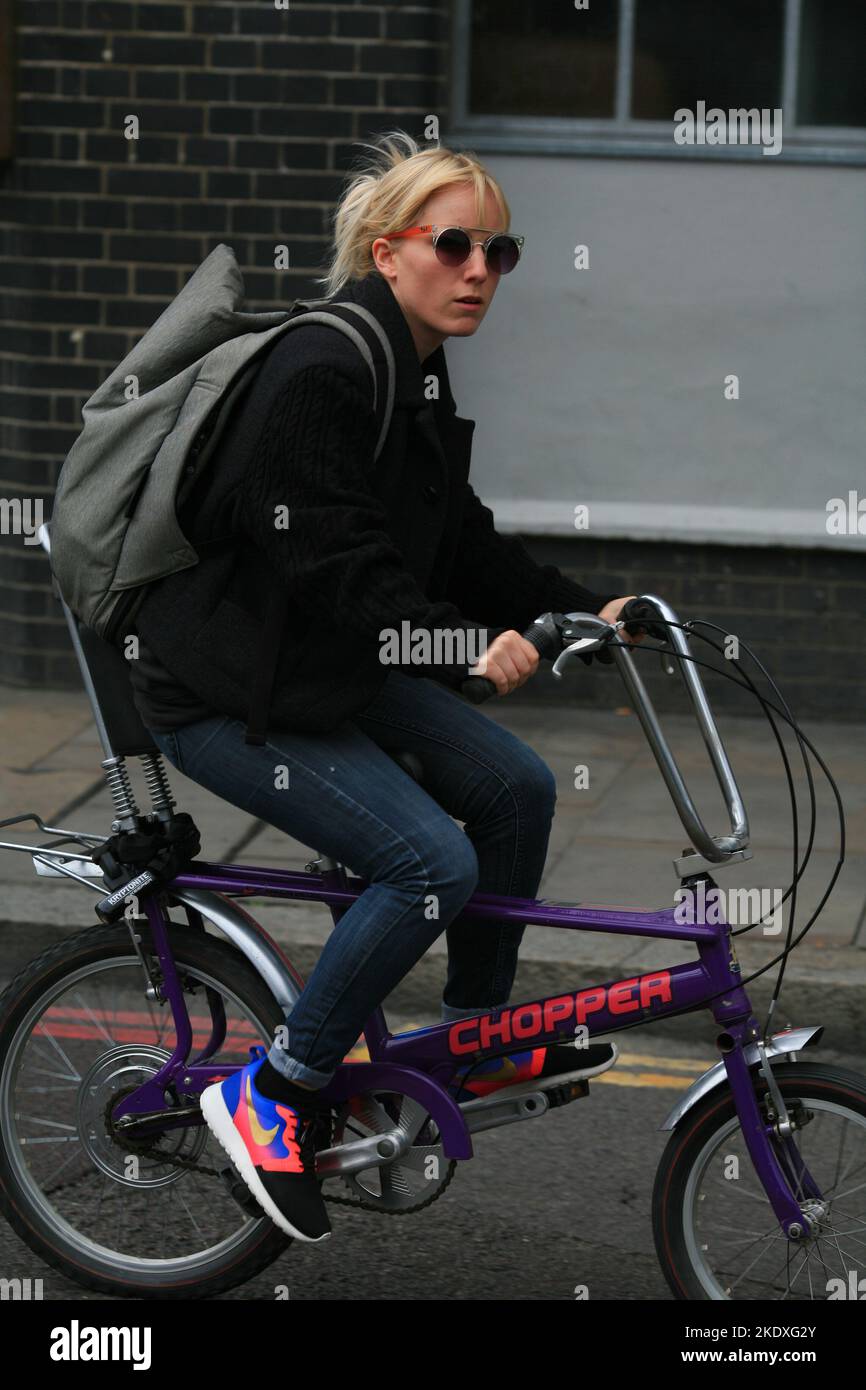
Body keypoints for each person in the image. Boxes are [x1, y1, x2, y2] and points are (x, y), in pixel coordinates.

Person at [131, 130, 645, 1244]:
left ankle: (473, 1034)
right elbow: (333, 565)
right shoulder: (324, 368)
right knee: (427, 861)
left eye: (496, 250)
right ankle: (279, 1086)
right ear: (384, 250)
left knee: (514, 786)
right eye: (452, 244)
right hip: (225, 691)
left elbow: (453, 539)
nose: (478, 270)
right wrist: (455, 646)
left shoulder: (408, 366)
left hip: (324, 670)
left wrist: (582, 606)